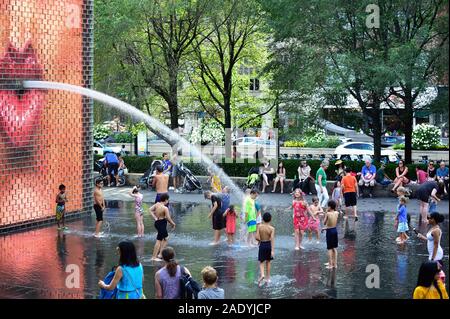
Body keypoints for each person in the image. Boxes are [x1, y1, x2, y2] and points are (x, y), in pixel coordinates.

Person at [149, 193, 176, 261]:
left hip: (157, 223)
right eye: (168, 200)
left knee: (164, 239)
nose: (168, 201)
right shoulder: (165, 208)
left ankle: (160, 254)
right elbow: (168, 218)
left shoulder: (157, 204)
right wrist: (173, 224)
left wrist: (155, 217)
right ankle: (154, 257)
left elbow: (150, 210)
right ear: (166, 200)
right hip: (161, 223)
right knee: (160, 240)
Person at [256, 212, 275, 286]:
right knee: (268, 262)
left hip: (262, 244)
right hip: (268, 245)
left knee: (261, 262)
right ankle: (268, 278)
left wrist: (259, 241)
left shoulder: (259, 227)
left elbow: (257, 237)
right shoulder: (272, 228)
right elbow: (272, 239)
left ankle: (262, 274)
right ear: (270, 219)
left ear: (263, 219)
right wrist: (272, 250)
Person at [322, 200, 339, 269]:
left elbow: (324, 222)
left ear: (329, 206)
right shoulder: (337, 213)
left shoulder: (328, 214)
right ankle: (335, 264)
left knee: (329, 248)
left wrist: (326, 212)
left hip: (329, 231)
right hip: (335, 230)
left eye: (327, 206)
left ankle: (330, 265)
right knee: (334, 248)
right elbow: (332, 224)